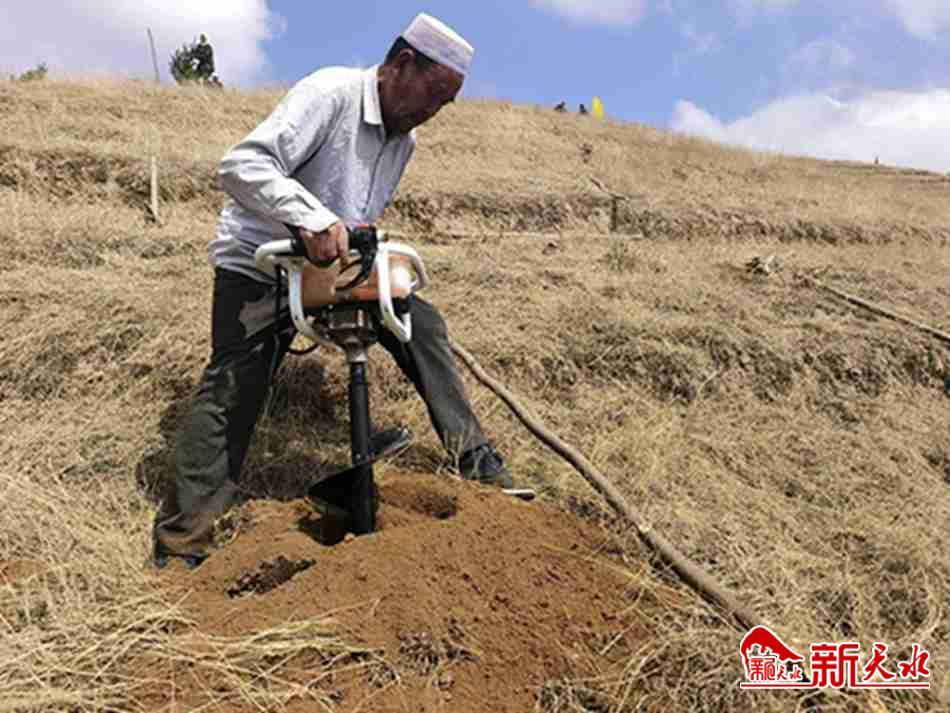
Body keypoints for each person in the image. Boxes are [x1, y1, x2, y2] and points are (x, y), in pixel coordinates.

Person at [153, 13, 512, 568]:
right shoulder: (330, 94)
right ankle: (182, 544)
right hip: (260, 263)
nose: (433, 113)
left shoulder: (404, 142)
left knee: (421, 324)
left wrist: (352, 239)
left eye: (445, 104)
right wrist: (311, 219)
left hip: (330, 269)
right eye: (433, 96)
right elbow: (241, 165)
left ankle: (476, 461)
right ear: (402, 64)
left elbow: (356, 216)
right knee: (234, 386)